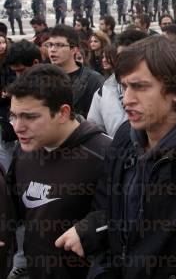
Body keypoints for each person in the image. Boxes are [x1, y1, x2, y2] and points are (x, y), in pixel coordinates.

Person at [57, 36, 176, 278]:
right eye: (125, 87)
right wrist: (91, 229)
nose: (127, 99)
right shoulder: (125, 136)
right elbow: (108, 206)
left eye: (140, 87)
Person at [7, 64, 111, 279]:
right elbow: (14, 211)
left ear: (63, 112)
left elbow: (134, 217)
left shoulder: (107, 154)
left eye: (30, 117)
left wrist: (92, 227)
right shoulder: (24, 150)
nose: (17, 127)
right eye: (13, 116)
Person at [46, 25, 104, 118]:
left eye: (59, 45)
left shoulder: (93, 80)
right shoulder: (42, 77)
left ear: (74, 49)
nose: (52, 50)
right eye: (50, 45)